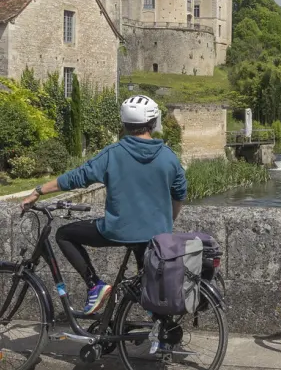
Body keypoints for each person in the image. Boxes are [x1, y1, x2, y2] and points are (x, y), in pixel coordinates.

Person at [22, 95, 187, 315]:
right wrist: (167, 223)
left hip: (118, 230)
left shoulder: (113, 154)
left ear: (124, 123)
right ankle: (163, 335)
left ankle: (95, 285)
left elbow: (77, 177)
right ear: (153, 122)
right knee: (152, 289)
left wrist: (39, 191)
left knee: (64, 234)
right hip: (156, 234)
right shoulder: (169, 157)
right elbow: (179, 195)